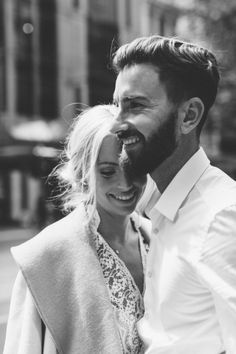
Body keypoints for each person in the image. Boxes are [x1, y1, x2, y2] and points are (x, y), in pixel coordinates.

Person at [111, 35, 236, 354]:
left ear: (189, 116)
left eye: (134, 105)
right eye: (117, 106)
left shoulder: (221, 217)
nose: (116, 125)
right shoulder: (159, 208)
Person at [3, 104, 151, 354]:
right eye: (107, 171)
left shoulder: (162, 239)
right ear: (83, 172)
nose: (125, 183)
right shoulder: (45, 256)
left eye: (133, 166)